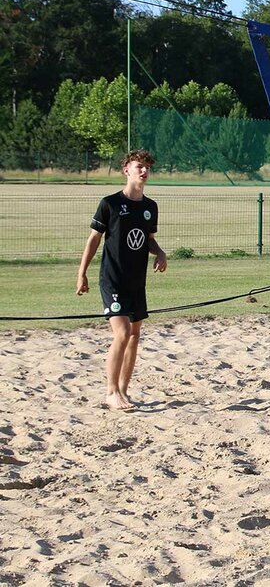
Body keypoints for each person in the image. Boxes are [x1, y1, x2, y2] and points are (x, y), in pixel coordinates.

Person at [75, 149, 168, 411]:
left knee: (135, 335)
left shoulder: (150, 207)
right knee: (123, 332)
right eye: (139, 166)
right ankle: (111, 391)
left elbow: (148, 240)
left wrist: (159, 252)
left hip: (136, 281)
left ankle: (124, 392)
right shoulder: (110, 203)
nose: (144, 171)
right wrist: (81, 273)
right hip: (112, 279)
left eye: (147, 167)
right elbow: (93, 239)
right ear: (126, 170)